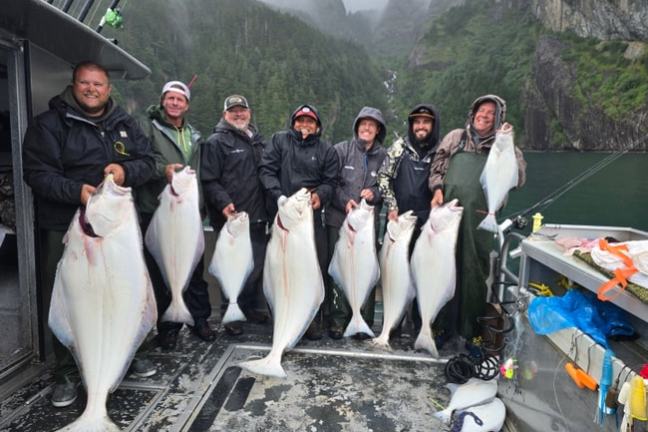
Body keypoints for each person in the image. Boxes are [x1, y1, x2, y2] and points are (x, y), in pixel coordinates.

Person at [22, 61, 156, 408]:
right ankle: (66, 372)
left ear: (108, 88)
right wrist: (76, 193)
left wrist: (125, 171)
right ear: (74, 84)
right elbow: (37, 174)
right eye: (85, 83)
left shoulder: (124, 125)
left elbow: (149, 162)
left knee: (127, 291)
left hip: (116, 227)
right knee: (68, 300)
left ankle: (127, 354)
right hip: (65, 227)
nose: (92, 89)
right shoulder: (49, 125)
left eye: (98, 84)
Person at [429, 94, 526, 347]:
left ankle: (470, 332)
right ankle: (440, 328)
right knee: (442, 266)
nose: (484, 115)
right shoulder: (456, 138)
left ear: (499, 119)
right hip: (449, 213)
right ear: (472, 113)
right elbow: (437, 165)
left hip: (482, 217)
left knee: (474, 271)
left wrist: (507, 143)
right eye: (480, 110)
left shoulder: (506, 147)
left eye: (491, 113)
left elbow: (519, 179)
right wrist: (437, 188)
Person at [136, 81, 216, 350]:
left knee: (195, 271)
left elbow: (199, 173)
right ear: (162, 101)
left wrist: (201, 205)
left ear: (187, 105)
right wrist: (163, 171)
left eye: (180, 99)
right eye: (170, 98)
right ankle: (167, 327)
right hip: (159, 211)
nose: (174, 103)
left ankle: (199, 320)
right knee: (161, 273)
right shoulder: (149, 128)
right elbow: (141, 163)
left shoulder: (194, 135)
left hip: (189, 212)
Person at [259, 104, 338, 340]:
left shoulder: (326, 150)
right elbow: (266, 170)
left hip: (309, 218)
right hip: (283, 215)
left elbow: (330, 181)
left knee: (314, 267)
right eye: (300, 121)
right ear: (293, 123)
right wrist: (279, 197)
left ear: (317, 126)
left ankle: (311, 319)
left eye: (310, 121)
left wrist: (320, 196)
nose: (305, 125)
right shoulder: (279, 141)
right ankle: (280, 317)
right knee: (279, 269)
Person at [201, 94, 269, 336]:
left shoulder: (259, 141)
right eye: (233, 111)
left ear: (249, 113)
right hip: (231, 220)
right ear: (225, 115)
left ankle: (248, 307)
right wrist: (224, 203)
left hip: (258, 217)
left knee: (254, 268)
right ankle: (230, 314)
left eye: (242, 110)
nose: (238, 114)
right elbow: (209, 180)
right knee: (231, 267)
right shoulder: (215, 142)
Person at [377, 103, 440, 335]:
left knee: (422, 275)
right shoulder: (399, 147)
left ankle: (418, 326)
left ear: (433, 125)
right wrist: (391, 206)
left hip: (427, 224)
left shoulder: (440, 151)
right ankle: (391, 326)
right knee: (394, 276)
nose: (420, 126)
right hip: (399, 222)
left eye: (425, 122)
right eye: (417, 122)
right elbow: (383, 177)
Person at [325, 107, 387, 339]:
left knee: (366, 269)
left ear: (378, 129)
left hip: (367, 224)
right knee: (339, 269)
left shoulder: (384, 156)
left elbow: (387, 186)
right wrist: (344, 201)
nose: (367, 128)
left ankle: (364, 320)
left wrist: (375, 192)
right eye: (363, 123)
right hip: (339, 220)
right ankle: (338, 320)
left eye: (372, 124)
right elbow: (330, 182)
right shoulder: (341, 150)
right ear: (356, 126)